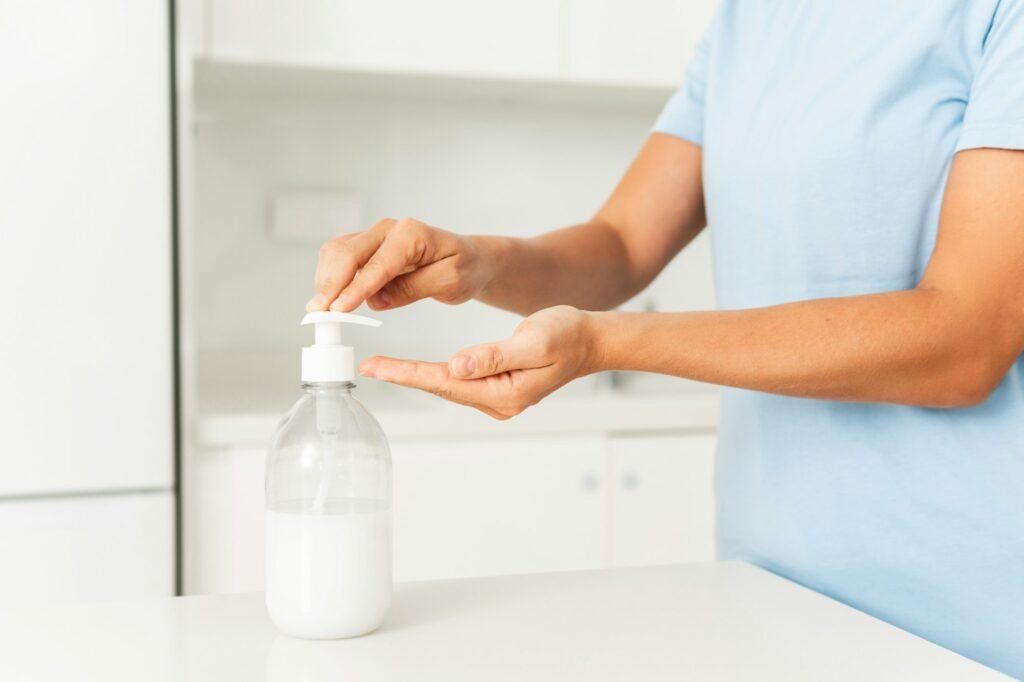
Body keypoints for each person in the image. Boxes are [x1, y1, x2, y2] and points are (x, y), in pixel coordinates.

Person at [307, 1, 1024, 675]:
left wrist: (606, 342)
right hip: (766, 583)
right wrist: (478, 261)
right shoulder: (749, 20)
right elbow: (620, 244)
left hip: (955, 612)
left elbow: (968, 339)